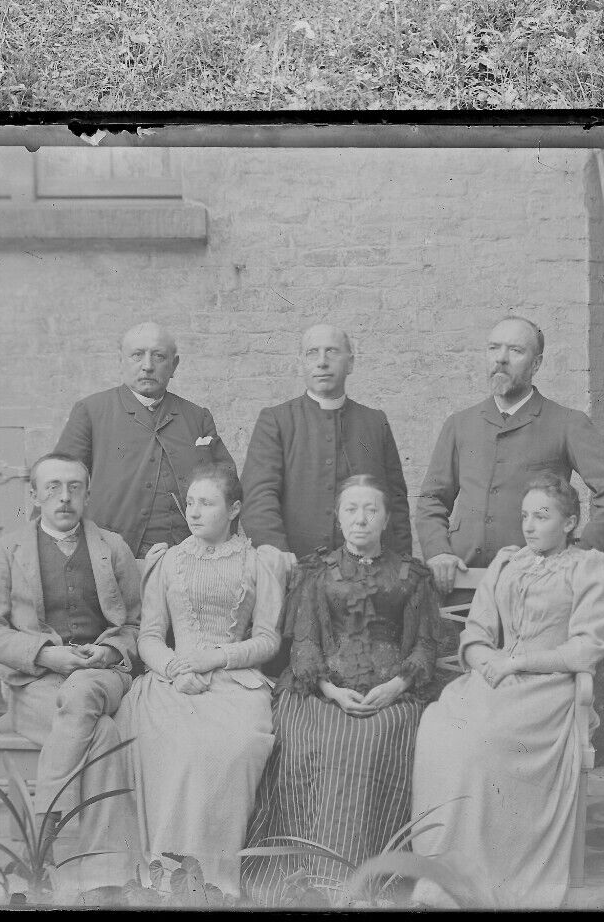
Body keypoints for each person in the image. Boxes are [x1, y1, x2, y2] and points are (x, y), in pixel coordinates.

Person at [411, 473, 604, 908]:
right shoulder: (509, 562)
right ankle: (445, 873)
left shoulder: (588, 567)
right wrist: (486, 660)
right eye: (525, 516)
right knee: (438, 728)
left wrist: (521, 662)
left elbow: (586, 647)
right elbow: (476, 631)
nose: (529, 525)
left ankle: (493, 873)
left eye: (542, 516)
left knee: (482, 744)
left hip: (549, 688)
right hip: (495, 678)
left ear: (569, 522)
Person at [242, 475, 441, 904]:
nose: (361, 519)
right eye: (351, 509)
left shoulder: (410, 575)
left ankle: (370, 873)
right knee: (310, 736)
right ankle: (317, 869)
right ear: (338, 516)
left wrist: (397, 685)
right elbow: (307, 641)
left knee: (380, 738)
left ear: (386, 518)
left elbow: (425, 643)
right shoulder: (319, 572)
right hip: (323, 691)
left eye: (371, 510)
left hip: (394, 693)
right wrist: (330, 691)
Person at [0, 452, 140, 902]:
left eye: (74, 487)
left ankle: (43, 842)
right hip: (37, 687)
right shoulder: (9, 549)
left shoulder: (113, 548)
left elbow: (139, 626)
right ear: (34, 495)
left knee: (84, 691)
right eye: (53, 488)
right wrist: (45, 654)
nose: (64, 497)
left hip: (100, 673)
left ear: (87, 493)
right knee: (101, 735)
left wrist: (107, 649)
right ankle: (103, 880)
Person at [115, 461, 288, 898]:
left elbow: (268, 639)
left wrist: (216, 658)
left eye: (206, 503)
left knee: (236, 745)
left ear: (233, 509)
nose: (194, 512)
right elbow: (149, 636)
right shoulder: (169, 561)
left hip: (234, 677)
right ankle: (163, 874)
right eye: (190, 503)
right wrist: (175, 668)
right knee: (174, 745)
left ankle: (212, 879)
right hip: (172, 681)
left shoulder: (257, 561)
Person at [417, 315, 604, 595]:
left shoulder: (567, 423)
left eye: (515, 351)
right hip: (462, 586)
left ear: (536, 364)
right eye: (493, 348)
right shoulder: (460, 424)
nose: (501, 359)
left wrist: (579, 557)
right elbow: (431, 499)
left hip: (536, 588)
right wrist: (437, 552)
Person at [56, 321, 234, 572]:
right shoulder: (91, 412)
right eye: (137, 355)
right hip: (114, 558)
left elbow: (227, 484)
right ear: (122, 361)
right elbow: (58, 482)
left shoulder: (197, 417)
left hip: (190, 557)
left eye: (159, 356)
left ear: (174, 365)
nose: (147, 366)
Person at [240, 324, 413, 571]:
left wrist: (401, 565)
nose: (322, 362)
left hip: (369, 573)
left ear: (350, 363)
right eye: (312, 353)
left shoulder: (375, 422)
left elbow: (395, 501)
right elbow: (257, 498)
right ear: (302, 364)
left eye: (331, 352)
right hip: (298, 569)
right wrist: (279, 555)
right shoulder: (277, 421)